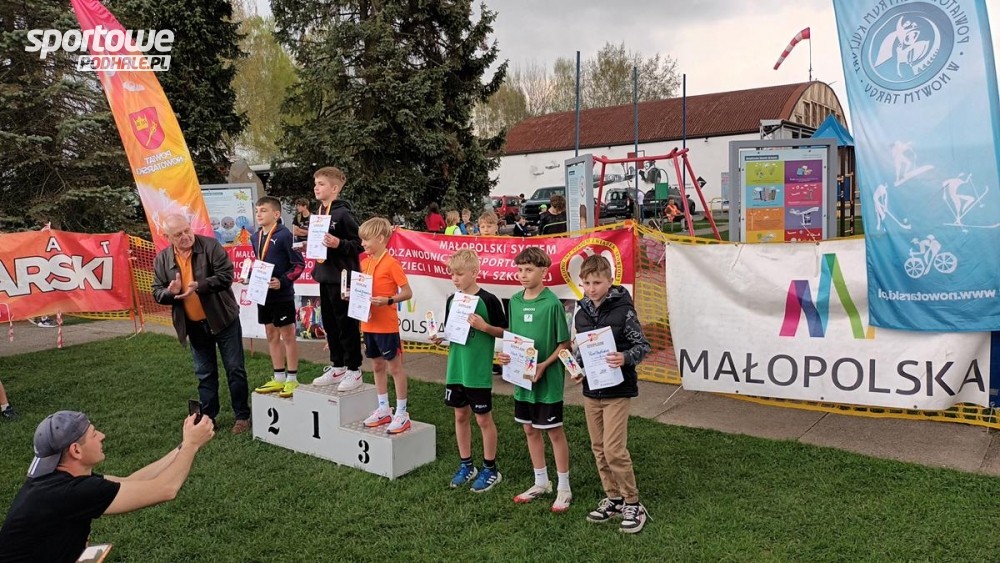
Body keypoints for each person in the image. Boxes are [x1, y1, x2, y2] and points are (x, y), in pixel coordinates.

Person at [0, 410, 215, 562]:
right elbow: (166, 489)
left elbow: (131, 481)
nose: (102, 436)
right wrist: (192, 445)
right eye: (94, 434)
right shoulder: (71, 492)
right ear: (76, 450)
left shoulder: (57, 480)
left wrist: (183, 446)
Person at [152, 214, 252, 434]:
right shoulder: (162, 259)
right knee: (204, 373)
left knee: (235, 369)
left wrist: (200, 285)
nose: (185, 236)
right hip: (194, 325)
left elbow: (226, 276)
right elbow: (156, 292)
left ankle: (242, 416)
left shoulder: (210, 246)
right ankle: (208, 418)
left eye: (187, 230)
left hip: (223, 319)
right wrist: (170, 292)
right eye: (178, 234)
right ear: (167, 237)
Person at [573, 254, 651, 533]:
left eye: (597, 282)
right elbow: (580, 350)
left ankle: (633, 502)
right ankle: (613, 498)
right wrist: (577, 367)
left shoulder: (624, 311)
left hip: (618, 390)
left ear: (609, 281)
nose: (591, 288)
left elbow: (643, 346)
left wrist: (625, 357)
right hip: (591, 391)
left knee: (614, 449)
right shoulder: (581, 313)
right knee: (598, 448)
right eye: (587, 283)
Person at [497, 247, 573, 512]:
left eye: (529, 270)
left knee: (554, 431)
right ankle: (541, 482)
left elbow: (564, 344)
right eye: (519, 270)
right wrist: (507, 356)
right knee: (529, 429)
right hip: (522, 380)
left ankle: (564, 487)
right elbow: (514, 338)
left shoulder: (552, 304)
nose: (522, 275)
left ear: (544, 271)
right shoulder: (515, 301)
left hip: (547, 381)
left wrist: (543, 365)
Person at [431, 249, 507, 492]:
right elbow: (452, 330)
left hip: (477, 371)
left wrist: (485, 327)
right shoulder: (452, 300)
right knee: (460, 416)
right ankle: (466, 465)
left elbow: (505, 331)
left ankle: (490, 468)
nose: (455, 279)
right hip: (456, 369)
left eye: (460, 274)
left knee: (483, 419)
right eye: (452, 274)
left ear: (475, 272)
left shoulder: (489, 300)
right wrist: (441, 337)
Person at [308, 166, 366, 391]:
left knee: (346, 324)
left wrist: (339, 243)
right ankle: (337, 366)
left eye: (321, 184)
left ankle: (354, 369)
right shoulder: (319, 212)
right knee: (330, 324)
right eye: (315, 183)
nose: (316, 187)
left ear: (334, 188)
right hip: (325, 275)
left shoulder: (343, 213)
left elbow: (359, 243)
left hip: (342, 278)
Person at [357, 218, 414, 433]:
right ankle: (383, 408)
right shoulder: (365, 263)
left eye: (366, 239)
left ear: (381, 239)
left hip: (386, 326)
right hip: (368, 324)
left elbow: (407, 292)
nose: (362, 244)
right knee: (376, 366)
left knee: (395, 368)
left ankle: (402, 412)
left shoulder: (391, 263)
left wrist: (388, 300)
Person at [249, 197, 306, 398]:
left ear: (276, 214)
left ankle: (292, 378)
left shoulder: (285, 235)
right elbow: (260, 262)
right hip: (263, 294)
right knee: (271, 333)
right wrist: (251, 276)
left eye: (263, 210)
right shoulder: (255, 237)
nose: (259, 214)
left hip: (282, 295)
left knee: (288, 335)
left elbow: (299, 264)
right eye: (257, 210)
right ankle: (279, 376)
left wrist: (282, 281)